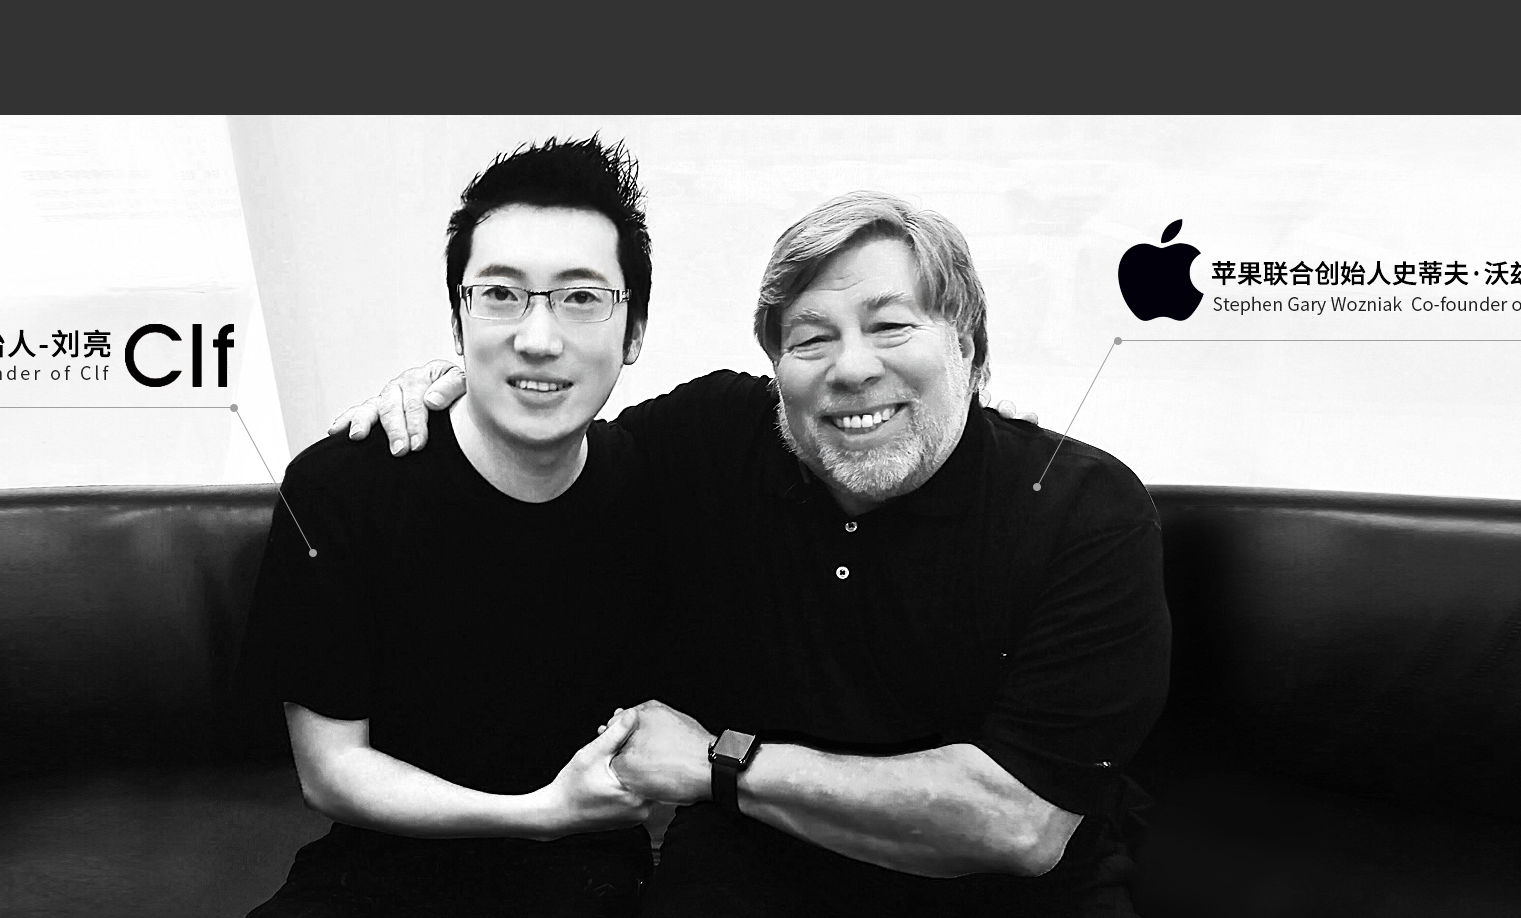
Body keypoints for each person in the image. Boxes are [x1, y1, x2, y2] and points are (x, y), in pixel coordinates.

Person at [339, 191, 1171, 916]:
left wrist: (722, 765)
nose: (852, 368)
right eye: (810, 339)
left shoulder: (1084, 509)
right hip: (754, 875)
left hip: (1013, 899)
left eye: (891, 326)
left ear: (970, 350)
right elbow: (546, 462)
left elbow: (1020, 825)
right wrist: (468, 393)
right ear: (776, 370)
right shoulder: (712, 441)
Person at [235, 137, 665, 917]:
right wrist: (537, 814)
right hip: (378, 868)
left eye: (581, 297)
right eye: (501, 294)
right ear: (459, 323)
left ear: (632, 332)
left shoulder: (655, 476)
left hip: (584, 871)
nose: (538, 338)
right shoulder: (342, 487)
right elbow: (330, 771)